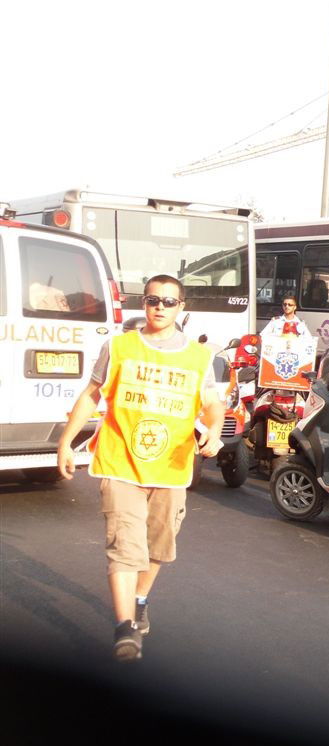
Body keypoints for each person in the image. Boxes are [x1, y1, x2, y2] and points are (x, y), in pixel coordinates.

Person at [57, 275, 224, 662]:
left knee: (156, 548)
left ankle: (140, 598)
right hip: (120, 463)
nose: (160, 307)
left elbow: (212, 404)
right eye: (153, 300)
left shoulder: (199, 357)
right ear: (143, 303)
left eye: (169, 301)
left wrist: (214, 431)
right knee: (123, 546)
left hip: (171, 468)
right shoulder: (118, 347)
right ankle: (124, 627)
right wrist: (66, 442)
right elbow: (91, 395)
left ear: (182, 307)